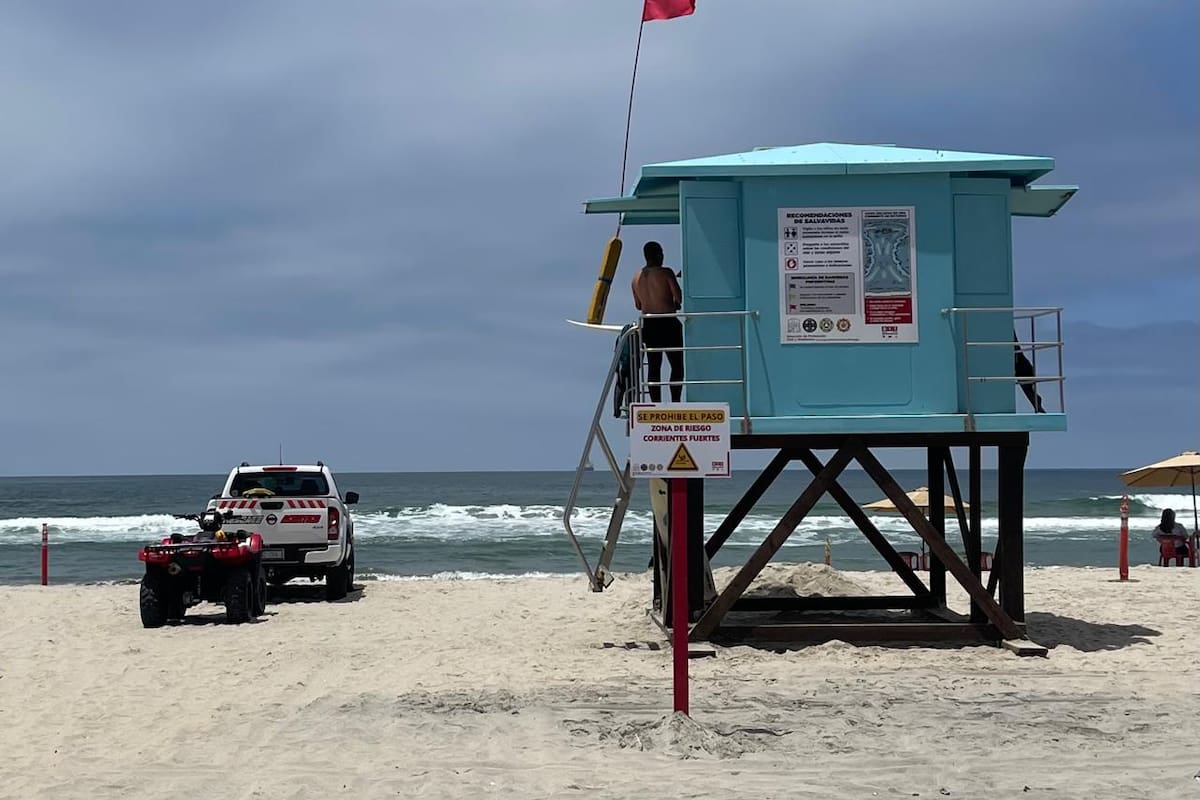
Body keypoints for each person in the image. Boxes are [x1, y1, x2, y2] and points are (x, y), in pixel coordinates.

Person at [631, 241, 683, 402]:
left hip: (649, 324)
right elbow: (679, 297)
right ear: (659, 254)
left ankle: (655, 403)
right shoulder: (666, 272)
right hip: (667, 322)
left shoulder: (635, 278)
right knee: (677, 364)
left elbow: (638, 305)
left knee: (654, 365)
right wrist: (673, 303)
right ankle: (675, 401)